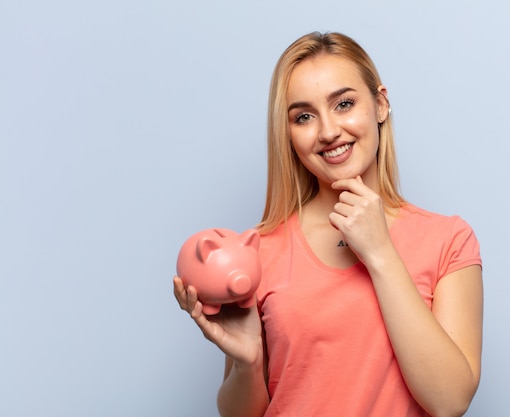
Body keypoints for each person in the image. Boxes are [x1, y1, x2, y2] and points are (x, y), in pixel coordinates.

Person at [173, 31, 483, 417]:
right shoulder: (260, 250)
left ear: (380, 104)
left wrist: (381, 253)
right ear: (288, 135)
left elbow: (450, 401)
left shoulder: (448, 240)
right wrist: (246, 363)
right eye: (304, 116)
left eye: (344, 104)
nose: (328, 131)